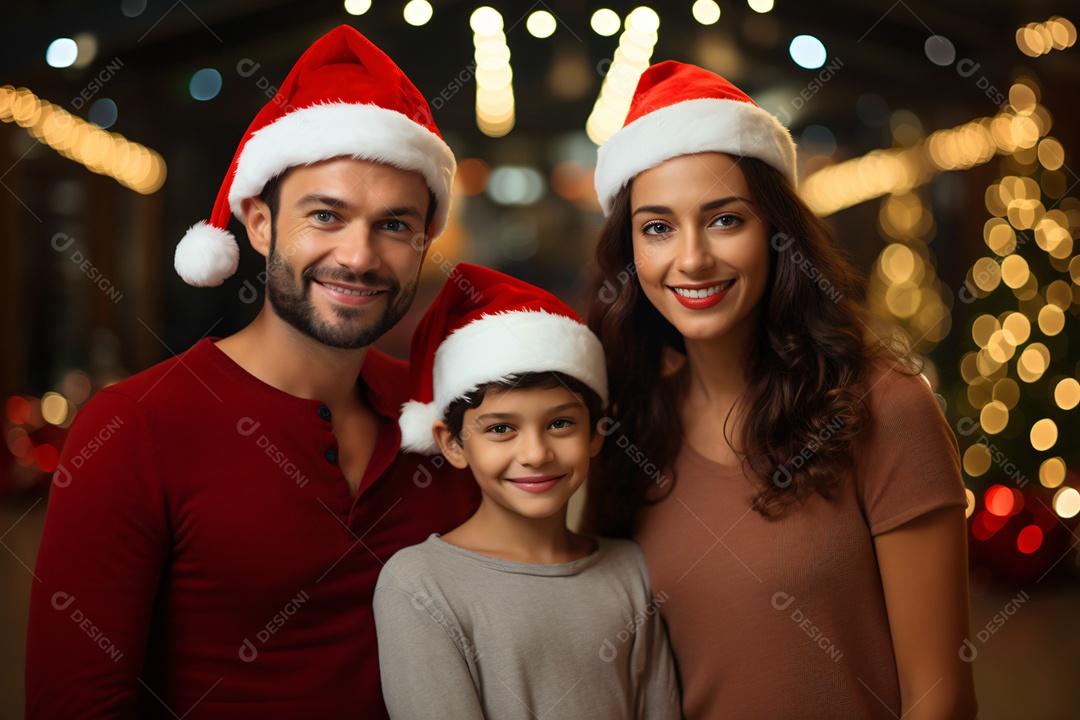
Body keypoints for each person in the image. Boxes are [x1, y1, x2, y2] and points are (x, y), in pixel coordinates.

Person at [26, 26, 478, 719]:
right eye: (325, 215)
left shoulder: (444, 412)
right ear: (260, 224)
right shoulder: (133, 428)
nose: (358, 257)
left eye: (394, 225)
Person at [585, 61, 978, 719]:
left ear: (775, 233)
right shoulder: (628, 431)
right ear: (630, 253)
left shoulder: (883, 405)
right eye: (657, 227)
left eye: (724, 220)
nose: (692, 259)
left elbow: (942, 699)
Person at [372, 263, 681, 719]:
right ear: (452, 443)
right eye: (501, 428)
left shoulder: (631, 568)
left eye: (561, 423)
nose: (535, 454)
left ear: (597, 432)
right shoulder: (419, 585)